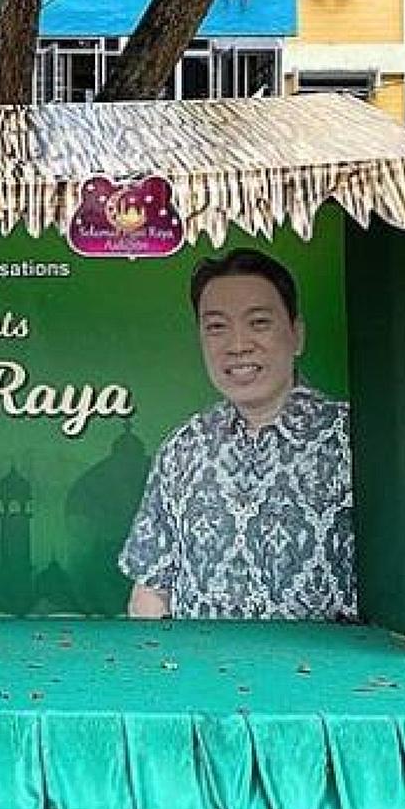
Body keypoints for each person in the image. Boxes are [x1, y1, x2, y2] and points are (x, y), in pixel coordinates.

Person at [119, 249, 357, 620]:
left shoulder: (352, 440)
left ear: (297, 334)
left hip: (324, 675)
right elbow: (151, 593)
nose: (237, 345)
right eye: (216, 327)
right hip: (202, 674)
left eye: (259, 323)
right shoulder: (183, 448)